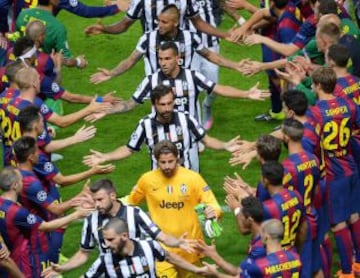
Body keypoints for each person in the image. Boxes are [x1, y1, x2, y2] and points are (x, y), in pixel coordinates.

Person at [43, 178, 195, 277]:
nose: (96, 205)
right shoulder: (91, 221)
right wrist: (64, 268)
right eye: (94, 200)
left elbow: (161, 236)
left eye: (100, 200)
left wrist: (178, 242)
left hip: (140, 268)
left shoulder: (134, 214)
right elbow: (84, 253)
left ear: (113, 196)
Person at [95, 42, 268, 128]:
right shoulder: (151, 80)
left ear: (178, 59)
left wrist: (246, 93)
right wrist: (107, 110)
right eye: (160, 59)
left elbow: (219, 88)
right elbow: (130, 104)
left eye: (167, 59)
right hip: (162, 139)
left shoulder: (192, 76)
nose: (163, 63)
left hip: (189, 136)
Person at [83, 85, 242, 172]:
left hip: (186, 178)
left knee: (194, 220)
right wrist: (106, 157)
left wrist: (225, 145)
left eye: (170, 103)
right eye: (162, 104)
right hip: (158, 181)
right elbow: (129, 148)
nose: (167, 108)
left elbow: (206, 140)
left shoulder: (185, 118)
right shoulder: (145, 124)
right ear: (154, 105)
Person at [125, 140, 222, 277]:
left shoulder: (193, 178)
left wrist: (213, 212)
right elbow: (130, 201)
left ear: (177, 158)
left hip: (190, 247)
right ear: (156, 161)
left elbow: (212, 204)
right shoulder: (147, 180)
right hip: (162, 249)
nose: (167, 166)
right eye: (162, 162)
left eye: (170, 161)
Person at [90, 5, 244, 82]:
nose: (160, 24)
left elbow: (210, 54)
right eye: (159, 21)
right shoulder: (148, 38)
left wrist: (236, 65)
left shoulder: (189, 38)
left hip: (184, 57)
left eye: (164, 21)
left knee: (198, 89)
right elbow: (130, 59)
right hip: (153, 55)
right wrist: (111, 73)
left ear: (175, 22)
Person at [307, 67, 360, 276]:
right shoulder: (349, 105)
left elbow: (308, 140)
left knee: (338, 223)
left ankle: (347, 270)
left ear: (319, 86)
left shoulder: (315, 112)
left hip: (332, 173)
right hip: (351, 167)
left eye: (313, 84)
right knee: (355, 216)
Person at [0, 66, 110, 166]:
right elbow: (61, 123)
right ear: (33, 84)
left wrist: (41, 130)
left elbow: (13, 125)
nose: (40, 81)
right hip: (28, 162)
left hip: (10, 158)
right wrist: (88, 110)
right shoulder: (34, 106)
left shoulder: (6, 99)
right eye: (38, 79)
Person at [0, 166, 93, 277]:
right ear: (15, 185)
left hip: (8, 260)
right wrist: (76, 214)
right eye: (21, 180)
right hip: (23, 262)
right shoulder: (18, 212)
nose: (23, 183)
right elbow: (46, 226)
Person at [13, 136, 92, 264]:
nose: (39, 153)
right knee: (46, 268)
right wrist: (79, 197)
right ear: (31, 157)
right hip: (37, 233)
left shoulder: (16, 172)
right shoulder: (31, 183)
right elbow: (56, 209)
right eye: (37, 151)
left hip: (26, 226)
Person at [100, 218, 206, 277]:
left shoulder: (149, 246)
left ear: (124, 236)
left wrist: (196, 269)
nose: (106, 244)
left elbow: (169, 257)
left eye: (110, 240)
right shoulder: (105, 260)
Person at [203, 219, 302, 277]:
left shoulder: (259, 266)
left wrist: (216, 274)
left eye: (261, 233)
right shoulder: (297, 258)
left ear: (266, 237)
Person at [194, 196, 266, 276]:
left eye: (241, 215)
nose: (239, 217)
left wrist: (215, 270)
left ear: (249, 220)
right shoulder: (261, 236)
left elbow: (240, 273)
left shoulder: (259, 249)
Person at [16, 0, 87, 67]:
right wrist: (79, 61)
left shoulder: (23, 14)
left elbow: (17, 39)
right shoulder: (58, 27)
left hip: (22, 66)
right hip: (43, 71)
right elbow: (67, 60)